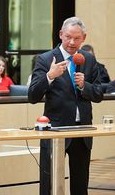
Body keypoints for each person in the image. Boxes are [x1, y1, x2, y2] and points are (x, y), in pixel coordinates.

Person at [28, 17, 103, 195]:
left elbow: (99, 94)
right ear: (61, 34)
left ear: (84, 38)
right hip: (55, 130)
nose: (71, 42)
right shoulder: (46, 59)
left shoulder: (89, 59)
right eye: (68, 36)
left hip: (82, 130)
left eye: (77, 38)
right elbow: (32, 96)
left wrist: (86, 86)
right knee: (50, 183)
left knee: (80, 184)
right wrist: (50, 76)